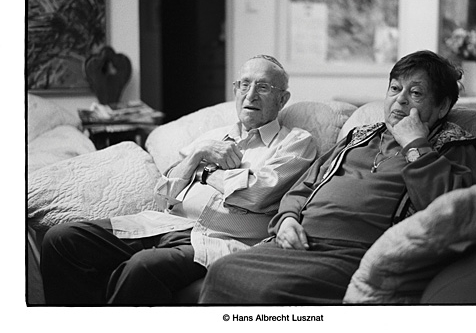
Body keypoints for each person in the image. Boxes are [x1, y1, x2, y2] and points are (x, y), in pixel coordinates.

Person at [198, 50, 476, 304]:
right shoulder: (359, 138)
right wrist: (286, 219)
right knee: (223, 271)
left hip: (356, 254)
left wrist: (414, 144)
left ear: (442, 106)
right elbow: (304, 186)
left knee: (269, 291)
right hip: (297, 243)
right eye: (395, 88)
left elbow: (449, 211)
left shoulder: (453, 146)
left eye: (416, 93)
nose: (399, 101)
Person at [40, 55, 317, 305]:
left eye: (264, 87)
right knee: (62, 239)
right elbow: (164, 193)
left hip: (217, 239)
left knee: (142, 267)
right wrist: (198, 153)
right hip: (163, 224)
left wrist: (205, 172)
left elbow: (256, 193)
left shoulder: (296, 142)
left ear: (283, 98)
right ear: (235, 91)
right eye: (244, 85)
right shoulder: (213, 136)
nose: (251, 95)